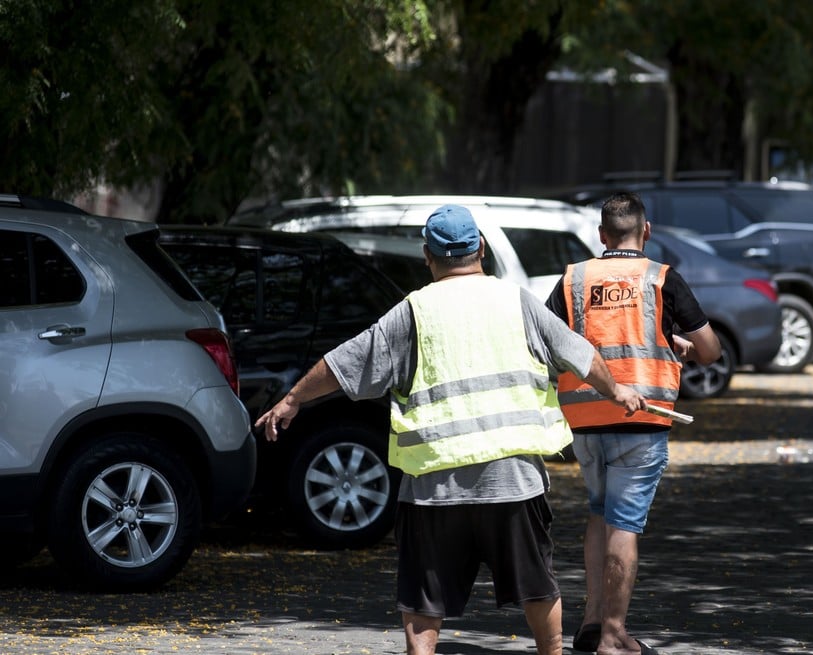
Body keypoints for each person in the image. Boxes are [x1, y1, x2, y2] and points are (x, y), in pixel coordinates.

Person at [255, 204, 646, 655]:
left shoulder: (414, 311)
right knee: (537, 586)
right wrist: (615, 390)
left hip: (432, 487)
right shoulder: (515, 301)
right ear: (480, 248)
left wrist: (292, 399)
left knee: (424, 601)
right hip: (512, 480)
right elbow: (579, 353)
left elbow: (344, 363)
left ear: (427, 256)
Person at [546, 191, 722, 655]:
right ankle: (613, 636)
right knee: (624, 524)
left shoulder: (573, 279)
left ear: (601, 236)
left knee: (599, 513)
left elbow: (549, 342)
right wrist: (677, 342)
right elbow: (711, 350)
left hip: (583, 419)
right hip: (642, 420)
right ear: (645, 232)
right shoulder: (662, 279)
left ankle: (590, 621)